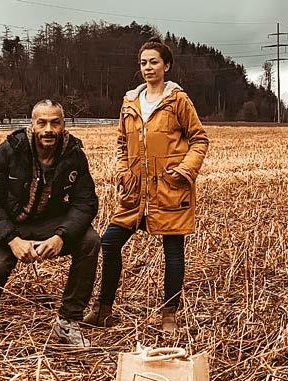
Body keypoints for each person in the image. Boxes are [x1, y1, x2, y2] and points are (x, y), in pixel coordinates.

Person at [84, 37, 209, 332]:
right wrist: (123, 172)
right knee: (109, 242)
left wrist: (184, 171)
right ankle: (103, 310)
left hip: (169, 190)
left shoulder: (178, 100)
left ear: (166, 66)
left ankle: (169, 316)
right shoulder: (130, 102)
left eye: (154, 62)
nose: (148, 67)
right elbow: (121, 143)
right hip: (135, 192)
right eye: (143, 63)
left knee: (173, 252)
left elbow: (199, 139)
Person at [0, 100, 100, 347]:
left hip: (49, 224)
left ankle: (68, 321)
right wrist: (12, 240)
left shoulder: (75, 155)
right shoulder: (10, 150)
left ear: (63, 125)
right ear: (32, 124)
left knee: (90, 241)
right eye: (42, 123)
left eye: (55, 123)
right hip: (8, 223)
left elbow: (85, 203)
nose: (49, 129)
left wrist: (62, 236)